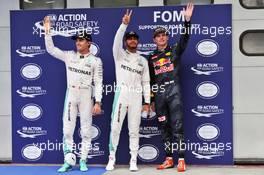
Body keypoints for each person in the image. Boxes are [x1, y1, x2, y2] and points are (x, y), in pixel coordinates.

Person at [43, 16, 103, 173]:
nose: (77, 42)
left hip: (86, 96)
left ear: (89, 42)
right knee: (67, 130)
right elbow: (51, 49)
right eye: (76, 40)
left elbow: (98, 83)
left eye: (81, 40)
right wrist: (47, 30)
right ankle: (68, 161)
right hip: (71, 94)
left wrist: (98, 102)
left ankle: (83, 160)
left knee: (86, 130)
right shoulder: (69, 55)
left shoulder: (96, 61)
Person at [148, 3, 194, 172]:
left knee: (177, 126)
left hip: (174, 92)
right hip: (159, 96)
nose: (161, 38)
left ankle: (181, 159)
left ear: (167, 37)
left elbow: (185, 39)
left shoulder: (175, 50)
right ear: (154, 39)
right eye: (157, 36)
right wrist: (151, 99)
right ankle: (168, 159)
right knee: (164, 127)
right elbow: (150, 80)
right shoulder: (151, 57)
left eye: (163, 35)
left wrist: (187, 21)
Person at [106, 10, 150, 171]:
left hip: (137, 96)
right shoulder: (119, 54)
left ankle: (133, 160)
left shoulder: (142, 60)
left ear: (137, 42)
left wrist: (147, 102)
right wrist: (124, 25)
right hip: (122, 94)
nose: (132, 41)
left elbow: (146, 82)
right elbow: (116, 41)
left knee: (134, 130)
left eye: (135, 39)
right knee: (115, 128)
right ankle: (112, 158)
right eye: (129, 39)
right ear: (126, 42)